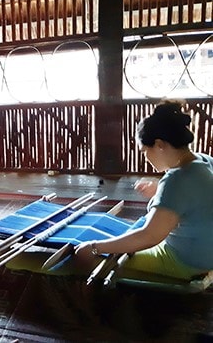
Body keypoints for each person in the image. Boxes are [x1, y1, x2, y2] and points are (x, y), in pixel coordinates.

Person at [73, 100, 213, 280]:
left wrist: (94, 247)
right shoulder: (205, 161)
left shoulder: (178, 178)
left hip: (188, 261)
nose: (146, 157)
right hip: (206, 253)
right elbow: (197, 202)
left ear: (159, 144)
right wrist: (159, 194)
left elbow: (149, 236)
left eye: (144, 151)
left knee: (101, 261)